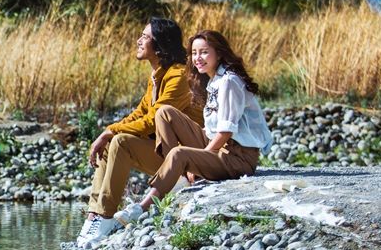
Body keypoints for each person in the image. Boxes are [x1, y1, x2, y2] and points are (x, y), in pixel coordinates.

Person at [115, 30, 273, 224]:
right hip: (221, 147)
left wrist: (198, 162)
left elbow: (226, 131)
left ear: (220, 53)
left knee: (179, 153)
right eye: (194, 53)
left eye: (204, 52)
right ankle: (179, 178)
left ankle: (142, 207)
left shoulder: (229, 82)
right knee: (164, 112)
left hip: (238, 158)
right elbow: (213, 131)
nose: (198, 58)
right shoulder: (214, 80)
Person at [76, 18, 202, 247]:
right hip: (169, 155)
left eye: (145, 36)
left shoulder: (178, 75)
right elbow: (139, 113)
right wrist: (108, 132)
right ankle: (93, 216)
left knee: (121, 141)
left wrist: (112, 132)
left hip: (190, 160)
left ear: (160, 44)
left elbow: (153, 121)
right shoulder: (157, 75)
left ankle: (105, 217)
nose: (138, 40)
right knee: (113, 141)